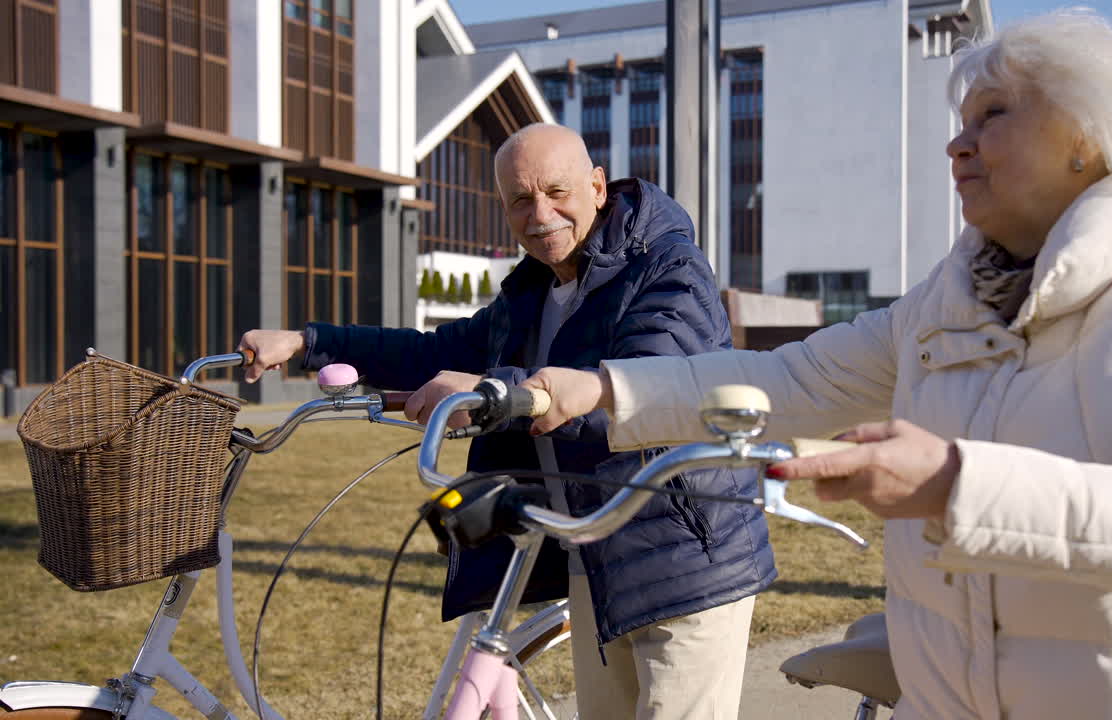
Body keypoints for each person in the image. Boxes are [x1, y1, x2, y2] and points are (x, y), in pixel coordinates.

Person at [522, 10, 1112, 720]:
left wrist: (955, 483)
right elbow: (792, 379)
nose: (958, 146)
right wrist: (605, 388)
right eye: (960, 124)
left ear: (1087, 133)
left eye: (992, 116)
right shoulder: (943, 305)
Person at [237, 123, 775, 720]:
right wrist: (306, 342)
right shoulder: (533, 292)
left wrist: (496, 390)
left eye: (557, 192)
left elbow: (645, 389)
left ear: (598, 187)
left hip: (686, 557)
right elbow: (431, 352)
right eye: (520, 199)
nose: (540, 215)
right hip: (595, 558)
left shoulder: (667, 267)